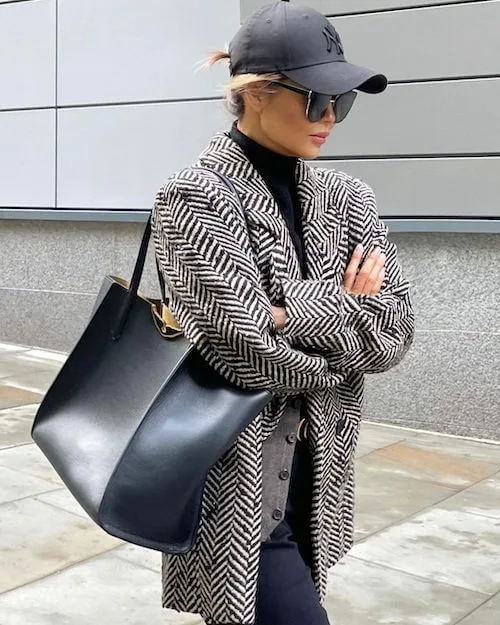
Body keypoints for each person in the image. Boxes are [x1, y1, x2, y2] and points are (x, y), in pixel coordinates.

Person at [151, 2, 414, 624]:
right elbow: (242, 350)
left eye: (342, 102)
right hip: (233, 488)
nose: (330, 119)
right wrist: (347, 308)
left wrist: (282, 311)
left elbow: (398, 330)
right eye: (316, 100)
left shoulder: (348, 196)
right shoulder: (196, 194)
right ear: (259, 92)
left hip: (319, 482)